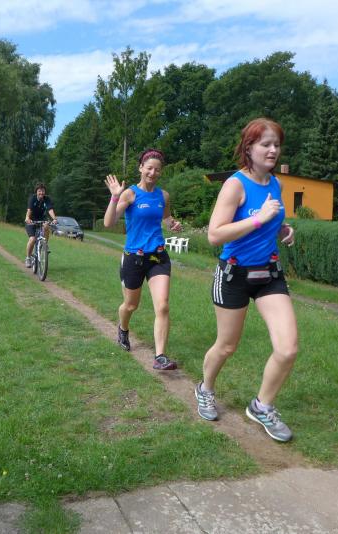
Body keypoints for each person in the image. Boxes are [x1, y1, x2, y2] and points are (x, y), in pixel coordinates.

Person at [195, 117, 297, 443]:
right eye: (265, 144)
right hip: (234, 275)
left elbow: (270, 221)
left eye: (276, 144)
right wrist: (259, 220)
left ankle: (262, 406)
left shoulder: (276, 183)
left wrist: (281, 228)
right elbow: (215, 234)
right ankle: (205, 388)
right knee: (227, 346)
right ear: (249, 148)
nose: (273, 150)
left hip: (268, 275)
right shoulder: (235, 185)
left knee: (288, 349)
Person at [104, 149, 183, 371]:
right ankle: (123, 328)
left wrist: (173, 224)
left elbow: (166, 217)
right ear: (141, 168)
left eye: (157, 169)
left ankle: (160, 356)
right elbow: (109, 222)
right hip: (134, 258)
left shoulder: (163, 196)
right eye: (149, 168)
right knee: (131, 305)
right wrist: (115, 196)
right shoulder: (130, 194)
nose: (153, 173)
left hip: (158, 256)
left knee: (163, 306)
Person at [24, 183, 57, 267]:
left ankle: (45, 245)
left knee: (46, 226)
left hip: (42, 219)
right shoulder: (33, 198)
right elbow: (29, 210)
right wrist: (27, 218)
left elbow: (50, 209)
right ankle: (28, 258)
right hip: (31, 220)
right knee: (32, 239)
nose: (41, 193)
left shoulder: (47, 199)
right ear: (36, 192)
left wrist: (54, 218)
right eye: (39, 191)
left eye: (43, 191)